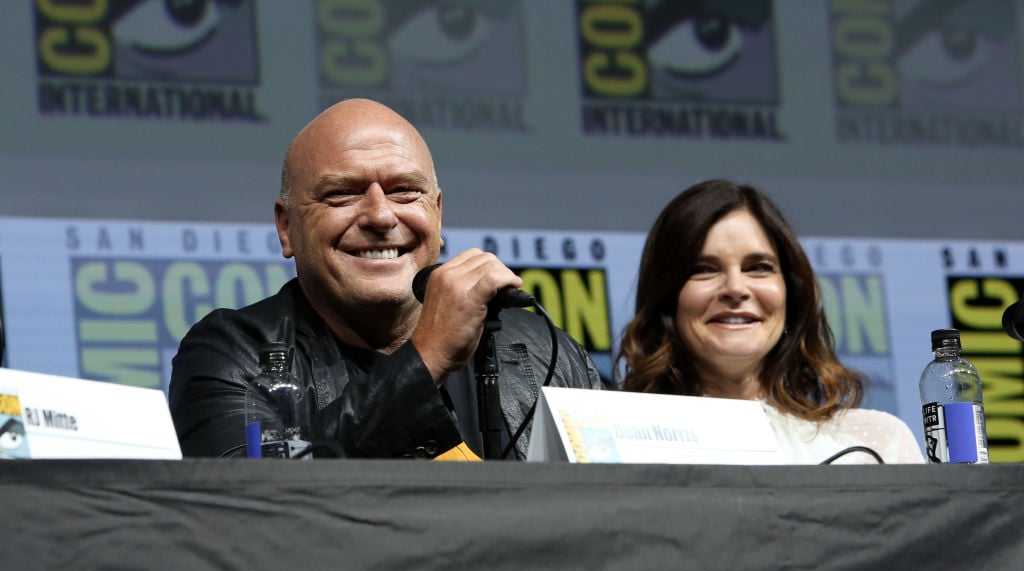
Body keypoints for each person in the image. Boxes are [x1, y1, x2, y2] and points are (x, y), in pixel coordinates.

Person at [169, 98, 602, 460]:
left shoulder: (548, 352)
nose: (380, 215)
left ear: (437, 212)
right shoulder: (234, 355)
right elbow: (251, 513)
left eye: (404, 191)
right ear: (287, 227)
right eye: (341, 193)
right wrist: (425, 358)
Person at [616, 179, 924, 464]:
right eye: (704, 269)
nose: (735, 288)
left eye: (758, 267)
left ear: (791, 292)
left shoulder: (876, 445)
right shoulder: (615, 443)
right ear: (667, 299)